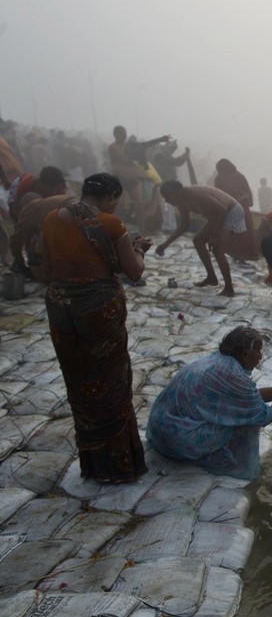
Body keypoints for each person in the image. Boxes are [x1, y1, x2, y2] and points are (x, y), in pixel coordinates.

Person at [40, 172, 151, 483]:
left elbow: (45, 269)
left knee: (78, 379)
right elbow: (135, 272)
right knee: (111, 379)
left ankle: (93, 464)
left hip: (61, 307)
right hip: (99, 308)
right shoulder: (111, 224)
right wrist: (139, 248)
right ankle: (120, 465)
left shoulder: (50, 219)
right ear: (111, 198)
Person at [146, 326, 272, 480]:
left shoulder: (218, 361)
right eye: (258, 351)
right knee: (246, 422)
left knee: (243, 413)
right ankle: (235, 466)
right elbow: (263, 417)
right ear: (244, 354)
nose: (260, 357)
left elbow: (248, 400)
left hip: (162, 430)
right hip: (177, 439)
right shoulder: (231, 376)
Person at [156, 181, 244, 296]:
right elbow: (184, 224)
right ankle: (211, 277)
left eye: (168, 197)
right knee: (198, 241)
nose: (167, 201)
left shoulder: (195, 195)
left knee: (218, 249)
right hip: (216, 216)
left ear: (176, 192)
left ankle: (229, 288)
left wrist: (214, 235)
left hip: (231, 211)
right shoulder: (181, 201)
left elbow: (222, 210)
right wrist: (165, 244)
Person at [108, 125, 170, 234]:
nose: (123, 136)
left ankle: (143, 231)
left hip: (131, 178)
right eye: (120, 134)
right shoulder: (113, 147)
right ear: (115, 135)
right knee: (120, 204)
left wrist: (160, 139)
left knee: (139, 205)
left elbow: (145, 144)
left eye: (124, 133)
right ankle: (114, 229)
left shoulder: (129, 145)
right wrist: (136, 153)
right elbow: (125, 159)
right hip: (119, 179)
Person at [9, 191, 75, 278]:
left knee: (38, 254)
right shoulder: (50, 203)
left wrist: (19, 260)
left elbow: (17, 238)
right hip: (83, 212)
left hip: (69, 216)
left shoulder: (30, 207)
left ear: (26, 204)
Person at [213, 158, 258, 261]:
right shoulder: (235, 176)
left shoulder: (223, 177)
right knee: (238, 231)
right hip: (233, 206)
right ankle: (240, 253)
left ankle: (241, 253)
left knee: (237, 231)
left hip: (233, 206)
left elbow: (218, 193)